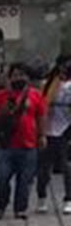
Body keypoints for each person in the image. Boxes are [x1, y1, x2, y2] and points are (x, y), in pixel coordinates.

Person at [0, 63, 47, 219]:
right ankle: (1, 204)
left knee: (25, 180)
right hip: (5, 144)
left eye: (22, 75)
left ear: (27, 78)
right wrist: (3, 112)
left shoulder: (35, 96)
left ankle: (20, 209)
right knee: (1, 178)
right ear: (9, 78)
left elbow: (41, 117)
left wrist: (42, 136)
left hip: (28, 144)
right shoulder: (0, 96)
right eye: (15, 75)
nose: (18, 78)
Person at [37, 55, 71, 213]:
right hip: (48, 130)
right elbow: (41, 107)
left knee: (67, 167)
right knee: (44, 168)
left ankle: (68, 199)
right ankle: (41, 198)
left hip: (66, 130)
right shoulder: (48, 85)